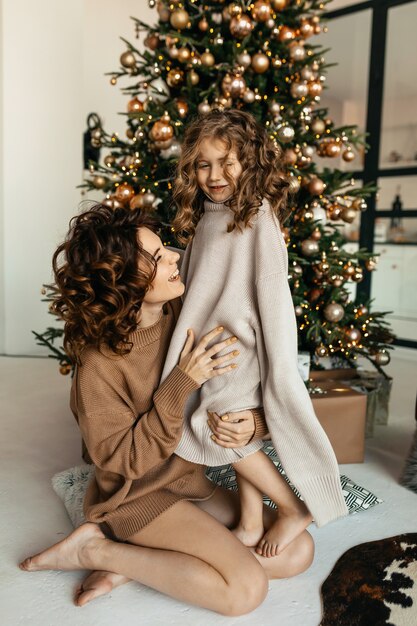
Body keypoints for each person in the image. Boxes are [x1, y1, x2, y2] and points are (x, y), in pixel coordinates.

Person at [19, 204, 314, 615]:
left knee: (298, 549)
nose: (175, 256)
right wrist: (182, 382)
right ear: (124, 282)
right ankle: (96, 551)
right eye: (158, 258)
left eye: (164, 249)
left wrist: (254, 424)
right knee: (243, 592)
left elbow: (242, 385)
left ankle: (140, 565)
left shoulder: (184, 312)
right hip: (137, 497)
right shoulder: (98, 364)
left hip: (188, 481)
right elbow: (122, 461)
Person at [161, 109, 348, 558]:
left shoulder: (258, 219)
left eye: (227, 162)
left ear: (250, 163)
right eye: (203, 164)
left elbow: (272, 295)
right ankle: (248, 521)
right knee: (230, 431)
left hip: (240, 348)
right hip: (210, 346)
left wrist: (278, 364)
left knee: (219, 426)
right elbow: (197, 279)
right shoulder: (208, 215)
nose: (215, 175)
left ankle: (291, 508)